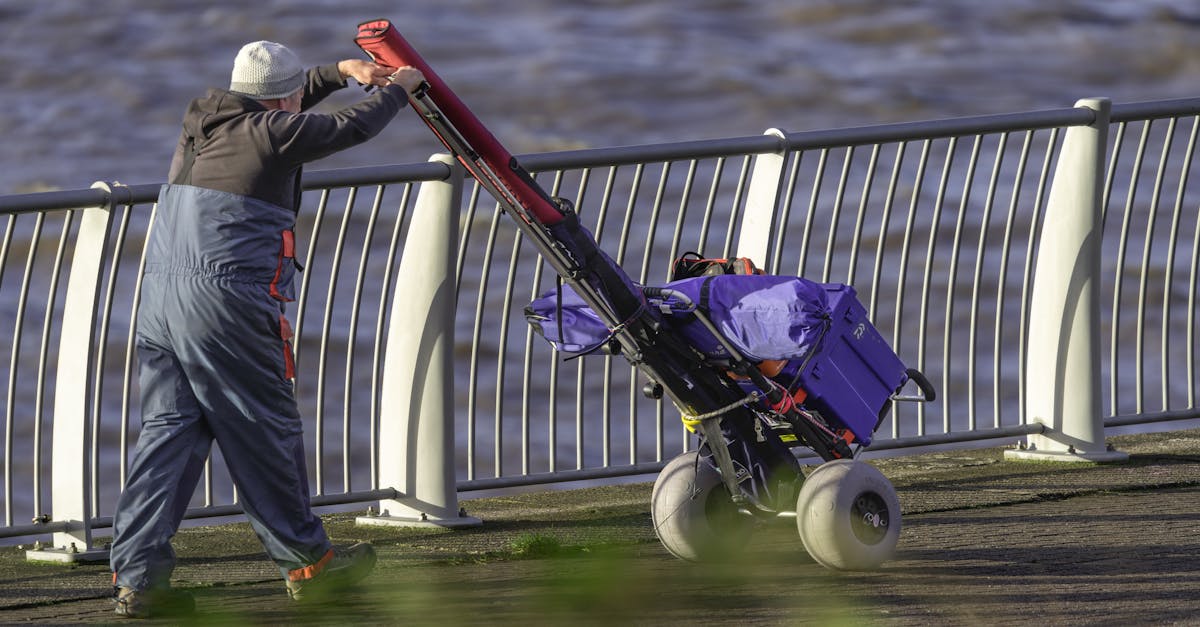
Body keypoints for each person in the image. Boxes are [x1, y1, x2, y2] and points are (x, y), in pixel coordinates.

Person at [108, 40, 425, 619]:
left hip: (159, 298)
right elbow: (348, 128)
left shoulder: (202, 117)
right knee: (265, 428)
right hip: (226, 303)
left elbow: (294, 100)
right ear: (283, 100)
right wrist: (398, 90)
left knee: (169, 435)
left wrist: (337, 71)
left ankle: (139, 576)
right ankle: (310, 564)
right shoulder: (276, 133)